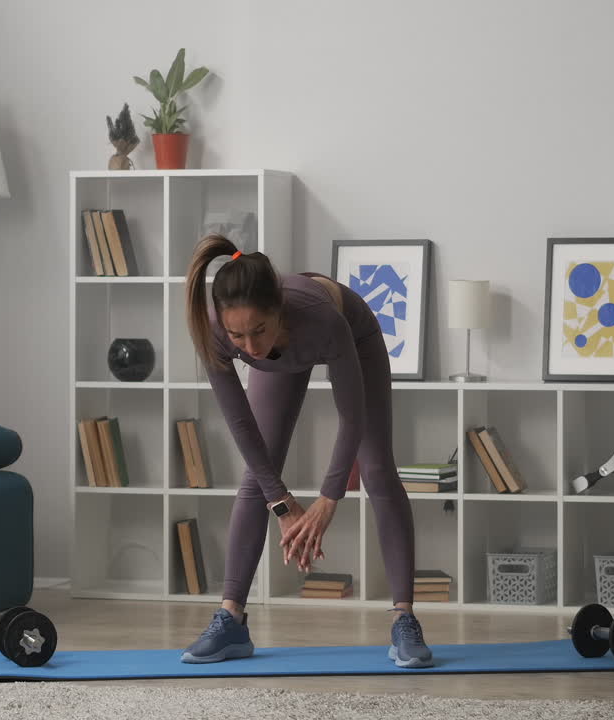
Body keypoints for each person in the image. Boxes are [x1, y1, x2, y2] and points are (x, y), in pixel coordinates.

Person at [179, 233, 432, 669]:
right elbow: (240, 423)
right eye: (238, 337)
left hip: (354, 331)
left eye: (259, 331)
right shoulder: (214, 330)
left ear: (278, 310)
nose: (251, 348)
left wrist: (329, 498)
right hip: (291, 347)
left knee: (377, 470)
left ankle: (404, 619)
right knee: (256, 480)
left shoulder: (321, 320)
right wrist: (283, 503)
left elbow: (351, 417)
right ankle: (231, 619)